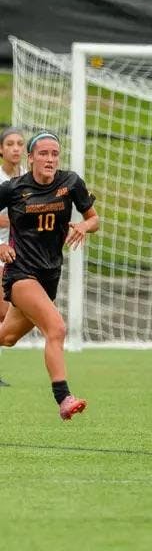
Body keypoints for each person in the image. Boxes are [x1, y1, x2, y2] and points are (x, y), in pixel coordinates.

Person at [0, 132, 100, 417]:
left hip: (49, 276)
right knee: (56, 328)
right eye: (43, 153)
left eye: (54, 153)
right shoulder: (13, 188)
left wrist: (84, 226)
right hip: (20, 274)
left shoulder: (70, 183)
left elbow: (94, 218)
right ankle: (64, 398)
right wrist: (0, 246)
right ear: (30, 158)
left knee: (7, 337)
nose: (50, 159)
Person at [0, 127, 26, 387]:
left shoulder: (27, 179)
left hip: (13, 254)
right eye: (10, 143)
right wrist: (20, 219)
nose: (16, 148)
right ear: (1, 149)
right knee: (4, 311)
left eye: (20, 143)